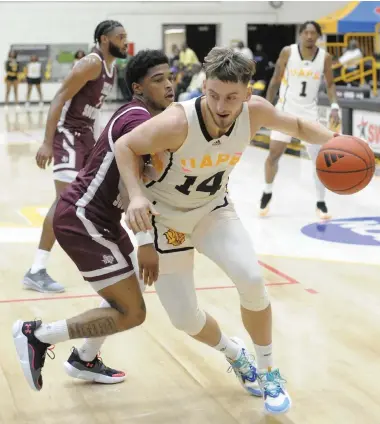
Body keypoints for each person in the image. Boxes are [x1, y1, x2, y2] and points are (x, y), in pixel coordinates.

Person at [113, 47, 340, 415]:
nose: (221, 104)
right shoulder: (177, 121)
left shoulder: (257, 112)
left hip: (212, 211)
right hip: (167, 220)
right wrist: (137, 195)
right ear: (205, 87)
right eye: (213, 94)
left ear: (247, 94)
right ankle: (234, 352)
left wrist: (336, 142)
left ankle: (268, 373)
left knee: (251, 278)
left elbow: (296, 126)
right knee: (184, 319)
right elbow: (126, 145)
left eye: (232, 97)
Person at [12, 49, 175, 390]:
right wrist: (146, 243)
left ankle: (84, 359)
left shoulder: (137, 114)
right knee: (133, 312)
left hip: (102, 218)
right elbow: (136, 188)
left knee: (133, 286)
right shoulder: (138, 120)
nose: (169, 85)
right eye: (158, 80)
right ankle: (38, 334)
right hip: (84, 218)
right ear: (138, 87)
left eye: (170, 77)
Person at [22, 20, 128, 293]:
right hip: (67, 134)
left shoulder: (111, 68)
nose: (124, 41)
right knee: (64, 202)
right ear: (104, 39)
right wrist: (47, 142)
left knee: (91, 197)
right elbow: (58, 98)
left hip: (85, 138)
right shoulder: (91, 63)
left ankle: (108, 256)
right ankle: (36, 269)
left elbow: (94, 112)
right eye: (120, 37)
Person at [261, 21, 340, 220]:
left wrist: (335, 106)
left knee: (319, 160)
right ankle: (267, 191)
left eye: (313, 33)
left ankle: (321, 202)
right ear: (300, 35)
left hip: (309, 114)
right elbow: (275, 80)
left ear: (319, 36)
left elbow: (330, 85)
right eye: (306, 32)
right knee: (273, 154)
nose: (309, 36)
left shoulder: (325, 57)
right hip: (285, 112)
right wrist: (266, 108)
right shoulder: (288, 52)